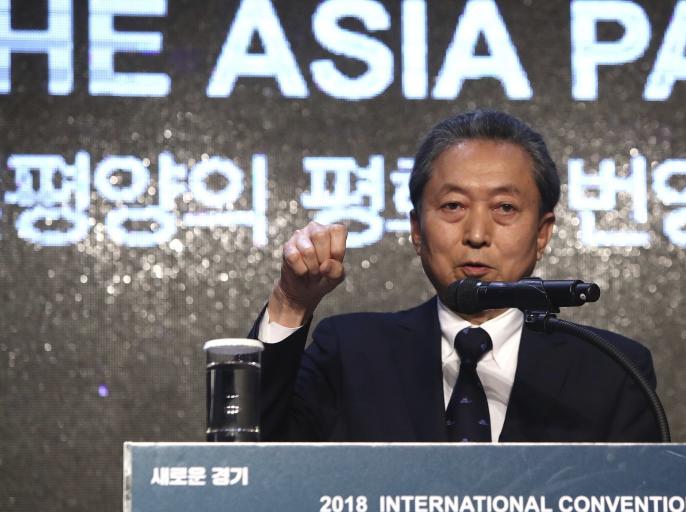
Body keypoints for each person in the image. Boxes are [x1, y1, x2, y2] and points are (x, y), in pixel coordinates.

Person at [250, 109, 661, 442]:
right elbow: (247, 459)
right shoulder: (350, 354)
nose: (477, 235)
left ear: (542, 233)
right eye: (452, 206)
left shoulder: (612, 371)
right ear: (416, 229)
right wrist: (291, 303)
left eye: (504, 208)